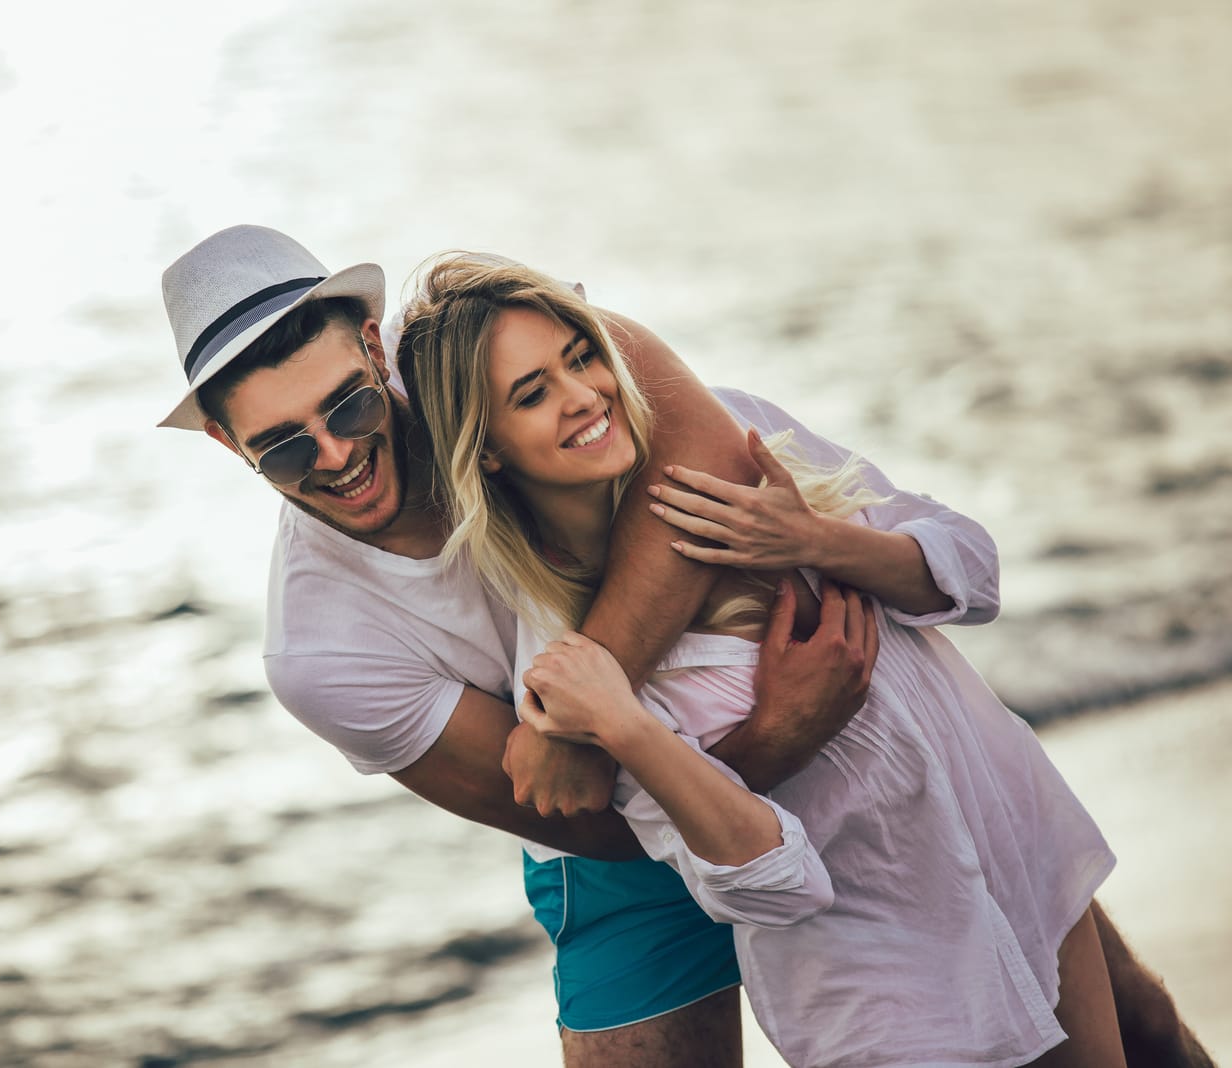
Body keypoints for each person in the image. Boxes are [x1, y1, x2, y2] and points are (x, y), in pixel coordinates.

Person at [154, 225, 1210, 1067]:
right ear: (225, 443)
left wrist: (588, 702)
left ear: (372, 346)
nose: (338, 454)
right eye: (285, 448)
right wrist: (765, 740)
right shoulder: (319, 654)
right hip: (632, 841)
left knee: (1135, 1028)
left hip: (839, 761)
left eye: (345, 404)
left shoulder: (505, 371)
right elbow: (578, 818)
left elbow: (701, 439)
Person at [391, 252, 1142, 1066]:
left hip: (1017, 858)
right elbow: (762, 887)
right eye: (532, 395)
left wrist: (816, 541)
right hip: (881, 977)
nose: (584, 397)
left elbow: (975, 572)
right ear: (487, 450)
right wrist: (627, 725)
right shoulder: (572, 664)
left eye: (581, 357)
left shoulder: (734, 440)